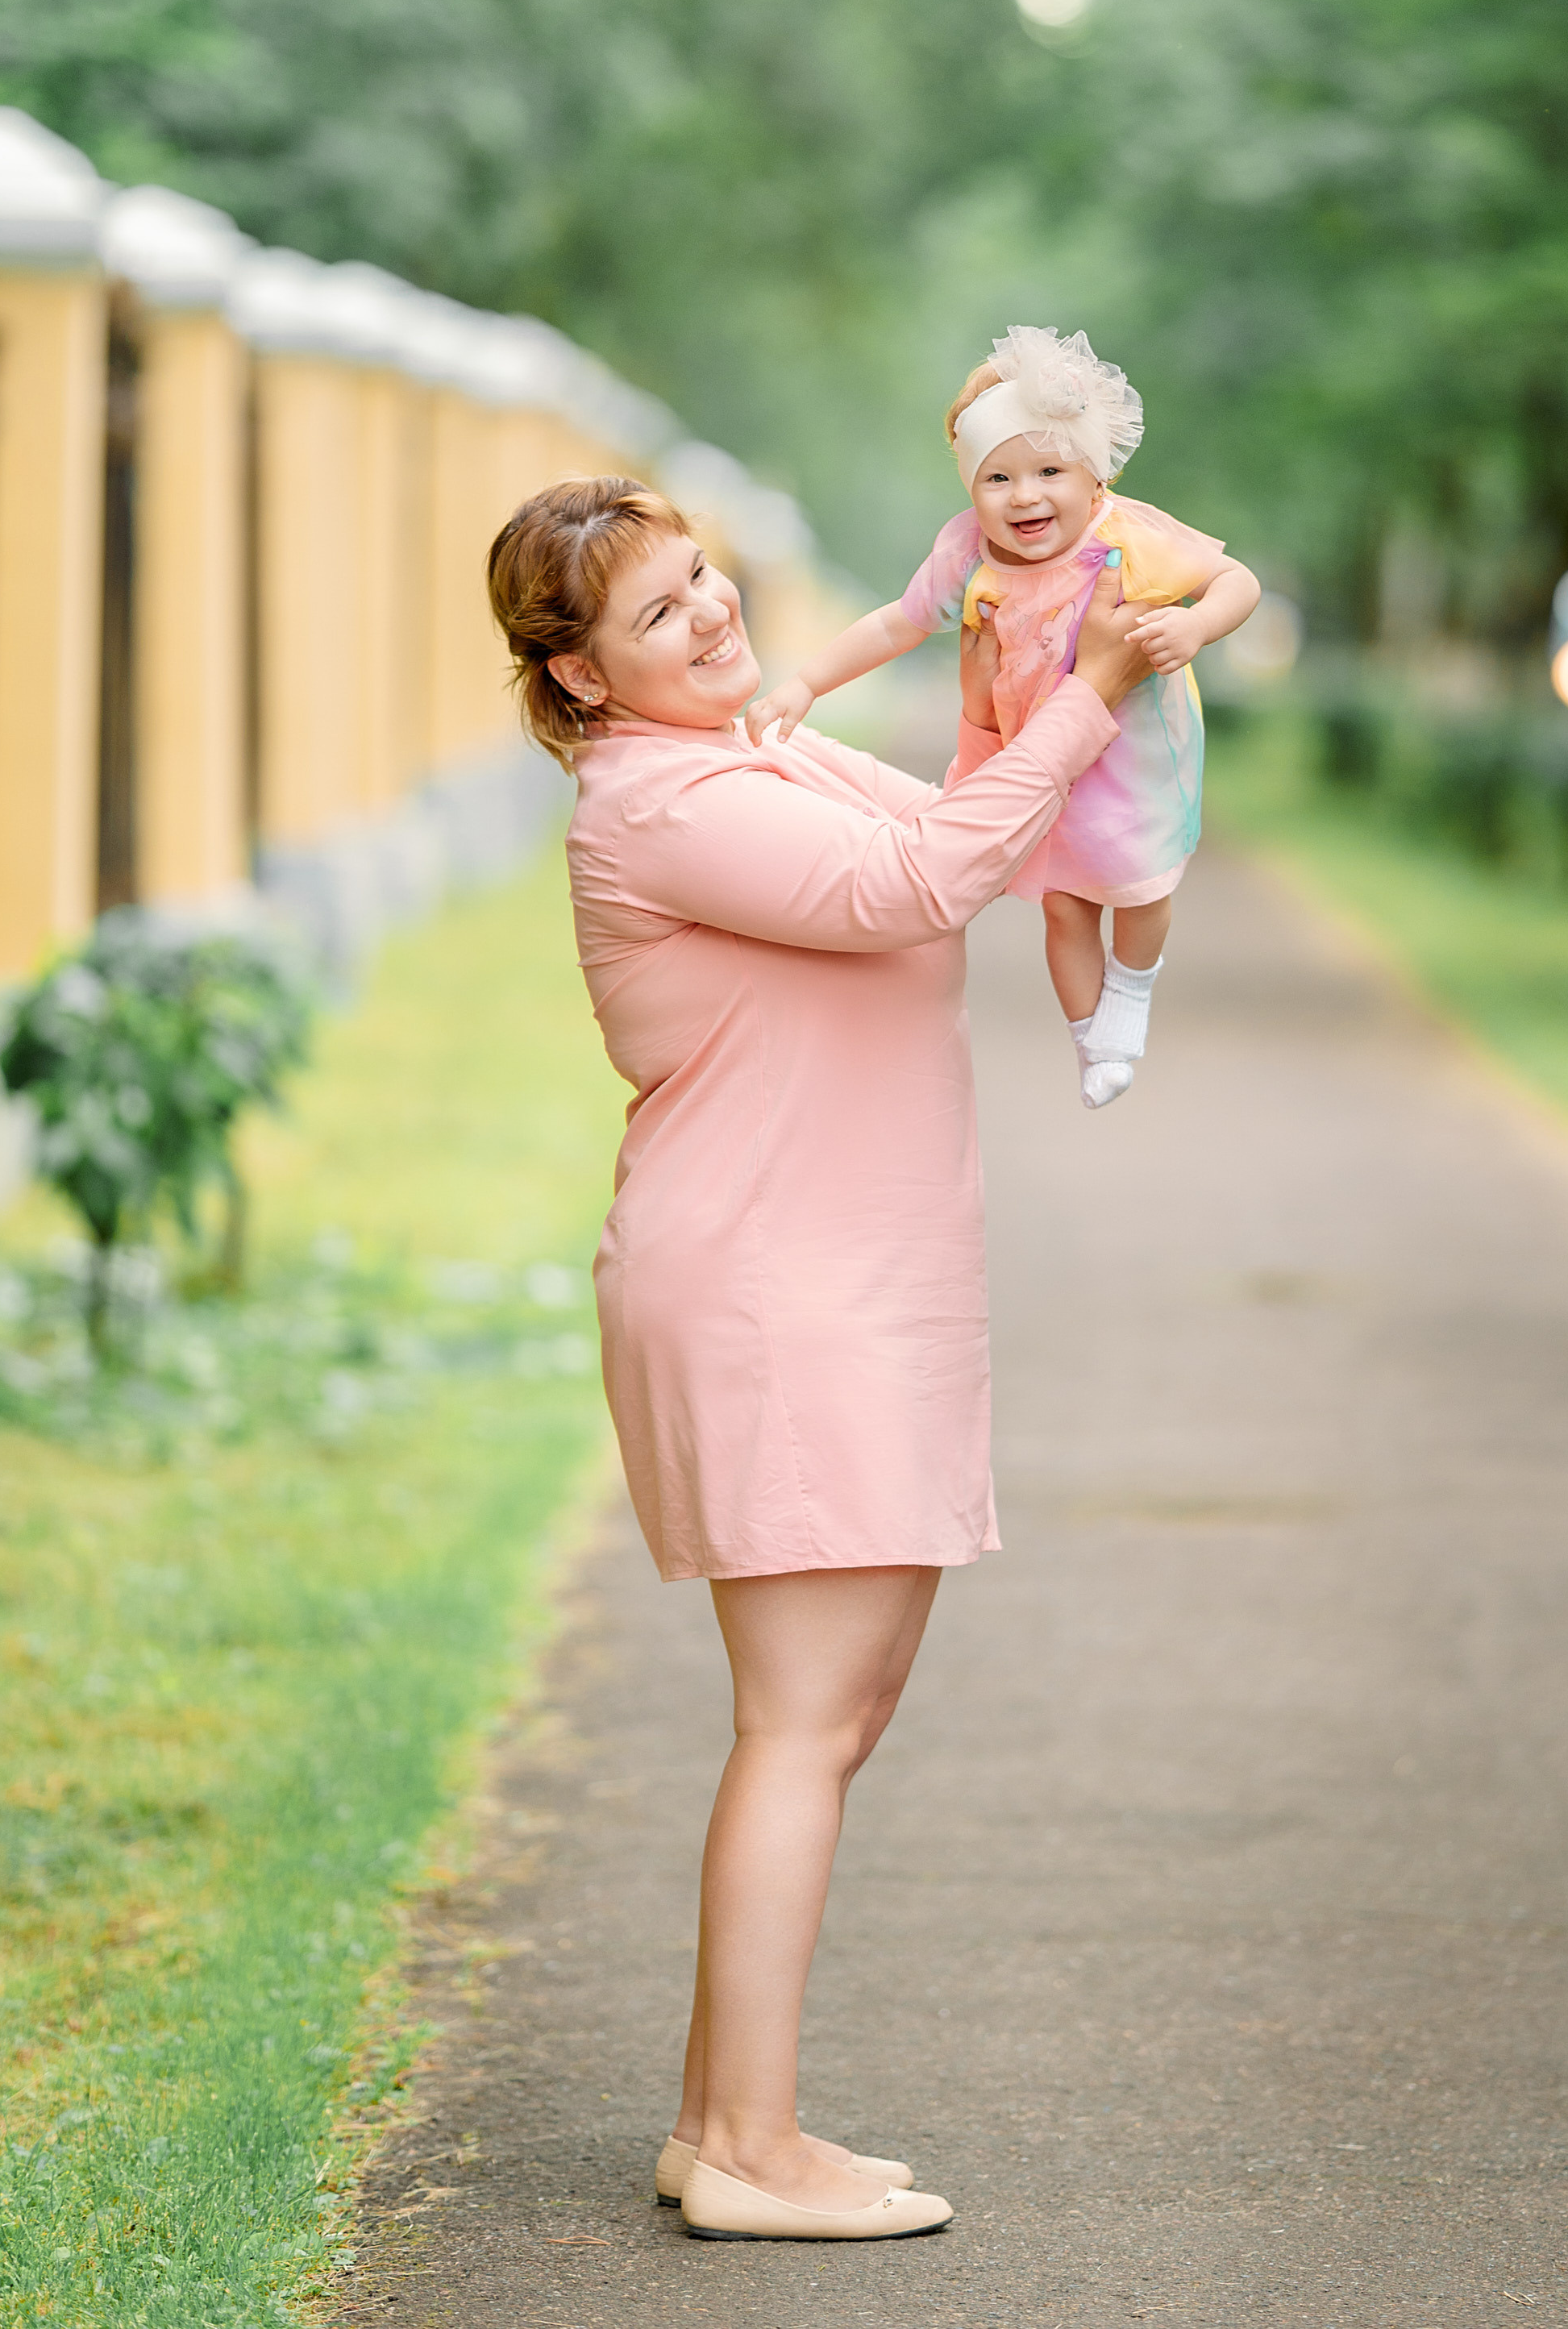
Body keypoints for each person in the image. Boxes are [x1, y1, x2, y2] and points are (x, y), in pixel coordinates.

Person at [484, 473, 1154, 2246]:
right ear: (579, 677)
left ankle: (719, 2124)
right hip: (773, 1290)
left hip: (847, 1275)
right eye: (656, 614)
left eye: (701, 577)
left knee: (835, 1717)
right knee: (797, 1725)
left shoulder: (754, 752)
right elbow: (915, 882)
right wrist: (1091, 693)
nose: (709, 612)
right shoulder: (661, 802)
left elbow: (963, 829)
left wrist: (1033, 670)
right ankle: (751, 2150)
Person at [747, 326, 1259, 1107]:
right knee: (1063, 905)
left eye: (1050, 471)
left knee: (1141, 889)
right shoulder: (967, 554)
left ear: (1094, 478)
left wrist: (1196, 627)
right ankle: (1091, 1039)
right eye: (997, 477)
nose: (1024, 495)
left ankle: (1131, 988)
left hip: (1134, 756)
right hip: (1043, 758)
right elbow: (895, 624)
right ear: (970, 487)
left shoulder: (1126, 536)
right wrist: (805, 684)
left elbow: (1234, 580)